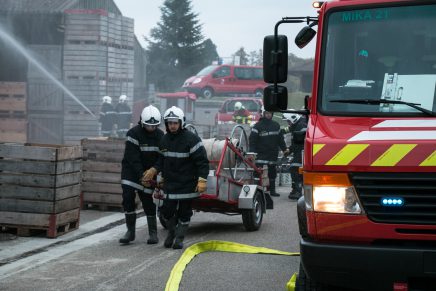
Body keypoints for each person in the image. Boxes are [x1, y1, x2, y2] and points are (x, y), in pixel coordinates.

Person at [142, 106, 209, 249]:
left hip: (187, 184)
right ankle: (171, 233)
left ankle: (179, 238)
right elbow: (161, 159)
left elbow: (202, 161)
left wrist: (202, 179)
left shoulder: (192, 139)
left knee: (184, 212)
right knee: (167, 211)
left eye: (175, 123)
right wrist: (154, 169)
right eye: (170, 123)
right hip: (171, 184)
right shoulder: (164, 140)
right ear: (166, 124)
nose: (172, 126)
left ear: (181, 123)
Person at [119, 105, 164, 245]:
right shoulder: (133, 134)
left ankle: (153, 233)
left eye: (154, 126)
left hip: (150, 172)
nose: (151, 129)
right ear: (142, 122)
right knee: (127, 197)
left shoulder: (161, 136)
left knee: (147, 201)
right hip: (131, 172)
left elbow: (162, 157)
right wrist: (141, 175)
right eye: (148, 126)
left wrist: (154, 170)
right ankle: (130, 232)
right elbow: (133, 157)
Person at [249, 106, 289, 197]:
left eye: (270, 113)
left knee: (272, 172)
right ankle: (256, 190)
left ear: (272, 114)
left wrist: (284, 149)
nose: (268, 115)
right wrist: (252, 153)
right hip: (260, 153)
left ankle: (272, 191)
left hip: (272, 153)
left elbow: (280, 140)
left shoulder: (276, 125)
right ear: (263, 114)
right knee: (257, 172)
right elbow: (252, 141)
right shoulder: (257, 126)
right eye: (266, 113)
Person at [282, 113, 307, 200]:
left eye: (289, 121)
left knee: (295, 168)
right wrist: (289, 150)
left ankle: (298, 190)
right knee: (294, 168)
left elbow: (300, 141)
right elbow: (296, 143)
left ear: (293, 119)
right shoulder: (297, 126)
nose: (288, 124)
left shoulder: (301, 125)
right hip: (300, 151)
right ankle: (297, 189)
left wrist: (291, 149)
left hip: (304, 152)